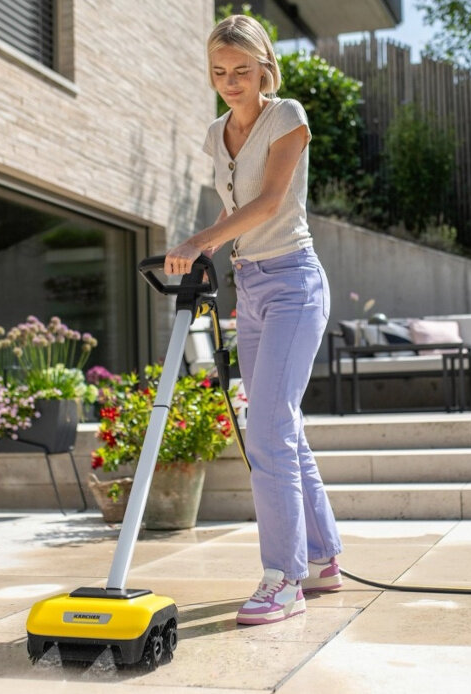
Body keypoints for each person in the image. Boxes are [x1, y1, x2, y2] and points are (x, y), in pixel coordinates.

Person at [164, 14, 343, 625]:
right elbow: (235, 202)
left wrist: (203, 241)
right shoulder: (217, 132)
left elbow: (269, 202)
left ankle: (283, 579)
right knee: (280, 426)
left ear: (265, 66)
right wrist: (222, 253)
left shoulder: (286, 116)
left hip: (295, 280)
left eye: (242, 70)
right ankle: (320, 561)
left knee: (267, 430)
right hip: (254, 283)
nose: (231, 81)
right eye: (220, 72)